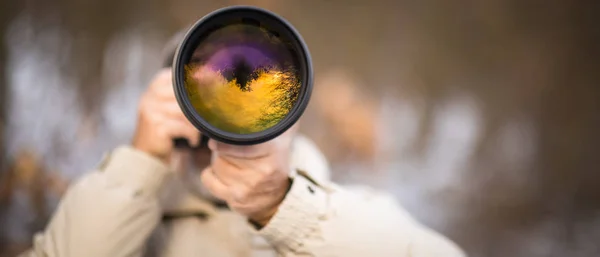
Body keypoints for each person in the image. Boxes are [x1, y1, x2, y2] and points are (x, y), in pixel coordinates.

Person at [18, 31, 466, 257]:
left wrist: (286, 209)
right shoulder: (135, 225)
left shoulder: (350, 215)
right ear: (171, 101)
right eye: (207, 90)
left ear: (291, 112)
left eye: (255, 91)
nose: (232, 104)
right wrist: (137, 165)